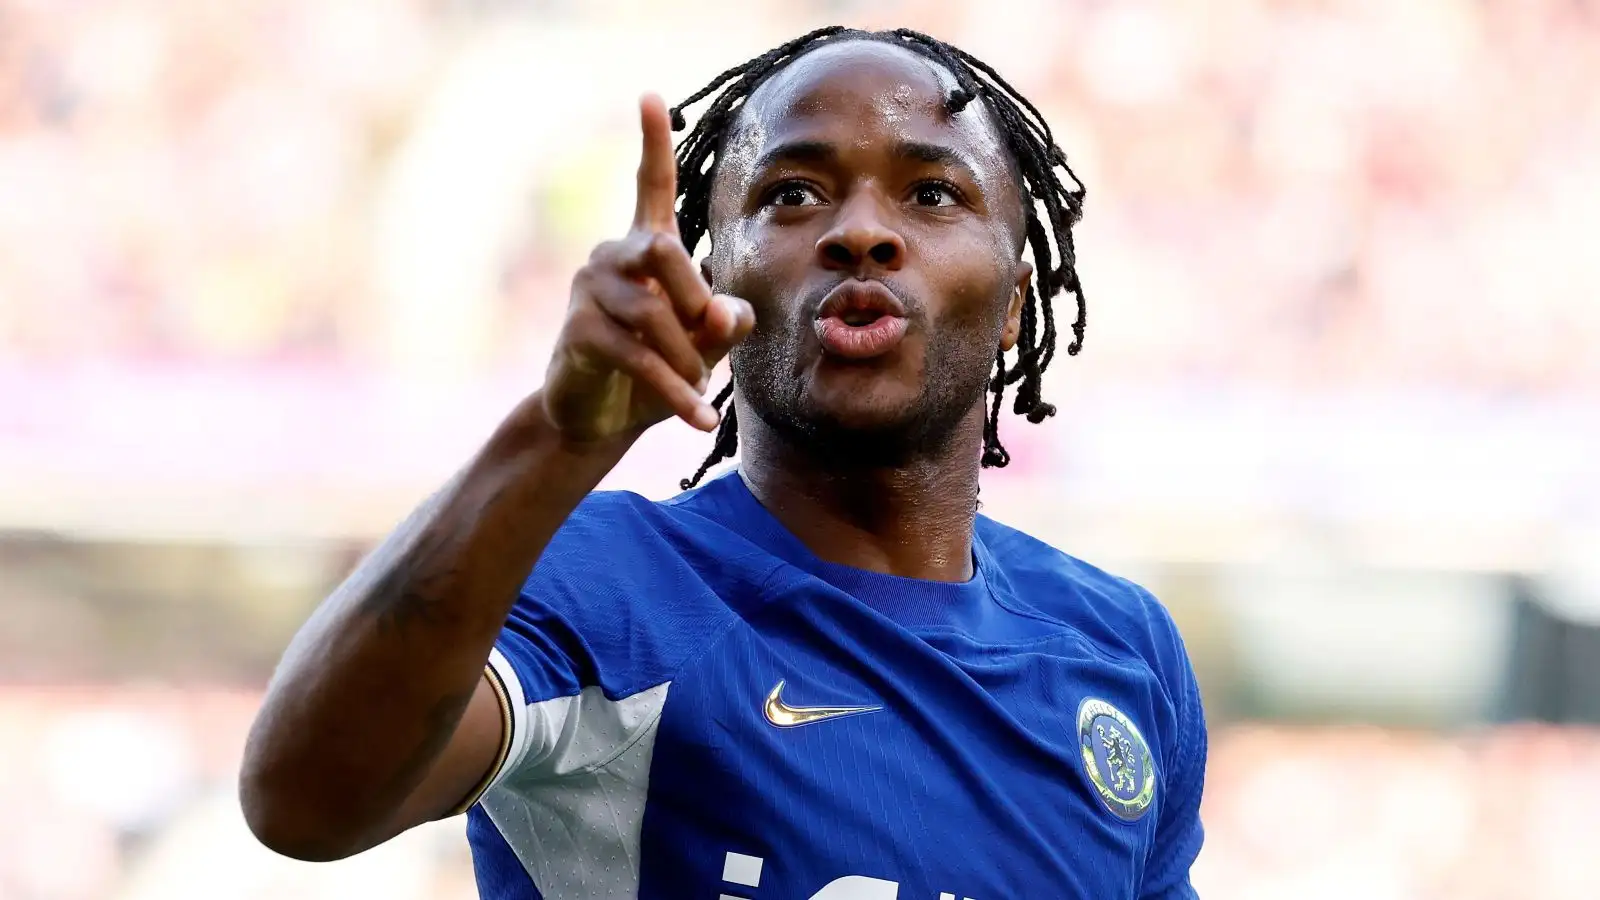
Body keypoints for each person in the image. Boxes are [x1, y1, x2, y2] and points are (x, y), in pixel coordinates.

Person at [240, 26, 1207, 900]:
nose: (860, 232)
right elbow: (304, 802)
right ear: (715, 282)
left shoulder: (1121, 649)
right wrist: (557, 440)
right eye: (792, 194)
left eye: (931, 193)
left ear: (1015, 308)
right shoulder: (606, 582)